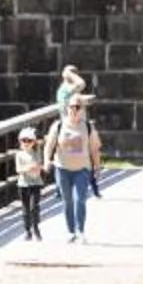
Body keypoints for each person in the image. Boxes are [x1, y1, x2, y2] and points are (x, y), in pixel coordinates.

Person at [48, 96, 103, 242]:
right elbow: (49, 145)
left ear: (82, 110)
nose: (74, 110)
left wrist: (97, 167)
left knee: (80, 199)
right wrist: (47, 160)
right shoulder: (58, 125)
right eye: (71, 107)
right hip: (62, 168)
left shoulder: (88, 127)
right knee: (67, 201)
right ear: (67, 109)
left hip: (82, 169)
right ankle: (70, 231)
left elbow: (95, 149)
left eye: (77, 107)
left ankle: (81, 230)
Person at [14, 125, 49, 241]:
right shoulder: (19, 154)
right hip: (23, 184)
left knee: (34, 207)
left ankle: (36, 227)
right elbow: (19, 169)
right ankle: (27, 230)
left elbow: (38, 167)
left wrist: (31, 168)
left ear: (33, 142)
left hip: (35, 183)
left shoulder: (36, 153)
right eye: (24, 140)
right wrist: (29, 168)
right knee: (25, 209)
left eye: (29, 141)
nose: (26, 143)